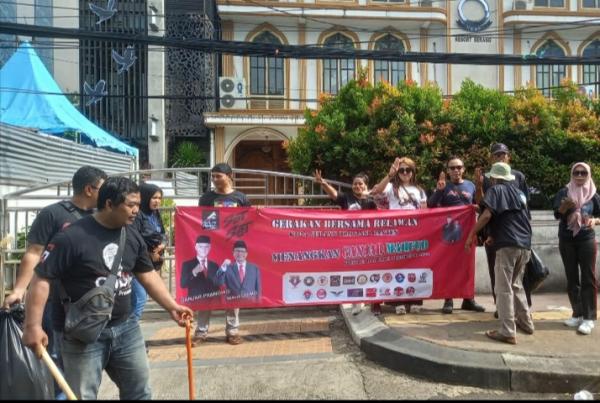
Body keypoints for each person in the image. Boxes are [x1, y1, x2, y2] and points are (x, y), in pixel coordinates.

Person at [21, 177, 193, 400]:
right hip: (82, 335)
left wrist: (172, 306)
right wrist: (32, 325)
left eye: (138, 205)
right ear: (110, 204)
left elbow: (148, 274)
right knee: (82, 396)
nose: (136, 211)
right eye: (130, 205)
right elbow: (41, 279)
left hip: (126, 328)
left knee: (140, 393)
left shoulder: (131, 235)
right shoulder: (71, 237)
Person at [3, 166, 106, 400]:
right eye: (104, 187)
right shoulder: (53, 214)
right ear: (89, 189)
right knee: (60, 361)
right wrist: (20, 289)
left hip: (96, 305)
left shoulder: (102, 215)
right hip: (58, 302)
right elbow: (34, 253)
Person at [465, 162, 534, 345]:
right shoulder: (519, 194)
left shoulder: (496, 191)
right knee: (517, 284)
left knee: (503, 289)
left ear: (494, 178)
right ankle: (526, 322)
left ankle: (507, 331)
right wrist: (493, 234)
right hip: (524, 243)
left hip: (508, 245)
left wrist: (471, 234)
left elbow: (487, 215)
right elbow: (513, 218)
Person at [194, 162, 251, 346]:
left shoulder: (241, 197)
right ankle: (201, 332)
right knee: (207, 290)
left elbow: (249, 222)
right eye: (213, 176)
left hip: (233, 251)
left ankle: (232, 332)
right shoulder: (206, 198)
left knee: (232, 291)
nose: (215, 180)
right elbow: (200, 222)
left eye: (218, 176)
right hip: (212, 252)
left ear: (229, 176)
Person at [474, 143, 532, 316]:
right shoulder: (487, 177)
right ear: (492, 158)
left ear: (509, 156)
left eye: (503, 154)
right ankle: (502, 308)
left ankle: (523, 311)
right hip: (495, 234)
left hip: (518, 233)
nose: (500, 157)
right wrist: (478, 186)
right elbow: (482, 206)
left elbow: (525, 206)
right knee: (496, 273)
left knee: (520, 278)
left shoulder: (519, 177)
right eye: (496, 155)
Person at [314, 170, 377, 315]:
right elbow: (334, 194)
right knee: (354, 272)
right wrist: (323, 182)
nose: (357, 186)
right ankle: (356, 302)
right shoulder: (346, 198)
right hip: (350, 243)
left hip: (367, 243)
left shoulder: (371, 201)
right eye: (355, 184)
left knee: (368, 271)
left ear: (365, 186)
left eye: (360, 184)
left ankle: (370, 299)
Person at [428, 156, 485, 314]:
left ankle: (468, 299)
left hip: (468, 232)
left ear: (463, 169)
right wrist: (439, 191)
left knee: (468, 266)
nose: (456, 170)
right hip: (449, 233)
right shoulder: (443, 186)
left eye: (459, 167)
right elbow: (431, 205)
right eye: (452, 168)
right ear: (448, 171)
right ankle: (448, 299)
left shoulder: (471, 185)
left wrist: (477, 198)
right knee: (449, 266)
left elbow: (481, 206)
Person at [371, 157, 427, 315]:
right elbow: (376, 192)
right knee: (396, 267)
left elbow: (425, 213)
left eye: (407, 170)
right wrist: (390, 174)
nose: (404, 173)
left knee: (415, 265)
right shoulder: (390, 187)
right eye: (401, 170)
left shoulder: (420, 190)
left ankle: (415, 299)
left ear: (412, 172)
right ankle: (397, 300)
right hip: (396, 233)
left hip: (415, 233)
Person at [552, 162, 600, 335]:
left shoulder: (594, 195)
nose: (579, 176)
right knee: (572, 278)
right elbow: (557, 214)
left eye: (583, 173)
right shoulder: (564, 192)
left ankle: (588, 318)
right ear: (572, 174)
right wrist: (564, 207)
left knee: (588, 277)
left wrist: (595, 221)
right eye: (576, 172)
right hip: (567, 239)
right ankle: (577, 313)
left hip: (586, 239)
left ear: (588, 174)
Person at [131, 182, 167, 321]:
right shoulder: (137, 215)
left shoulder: (155, 213)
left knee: (140, 298)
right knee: (140, 299)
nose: (157, 201)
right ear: (145, 197)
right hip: (139, 262)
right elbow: (135, 238)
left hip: (152, 263)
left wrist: (163, 244)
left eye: (159, 198)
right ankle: (130, 333)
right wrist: (149, 253)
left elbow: (162, 233)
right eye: (154, 198)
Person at [180, 235, 220, 301]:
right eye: (200, 247)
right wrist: (193, 272)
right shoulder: (187, 264)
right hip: (196, 301)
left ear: (210, 247)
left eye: (206, 247)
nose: (203, 250)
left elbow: (218, 285)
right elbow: (183, 284)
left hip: (212, 302)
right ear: (196, 247)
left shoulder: (214, 265)